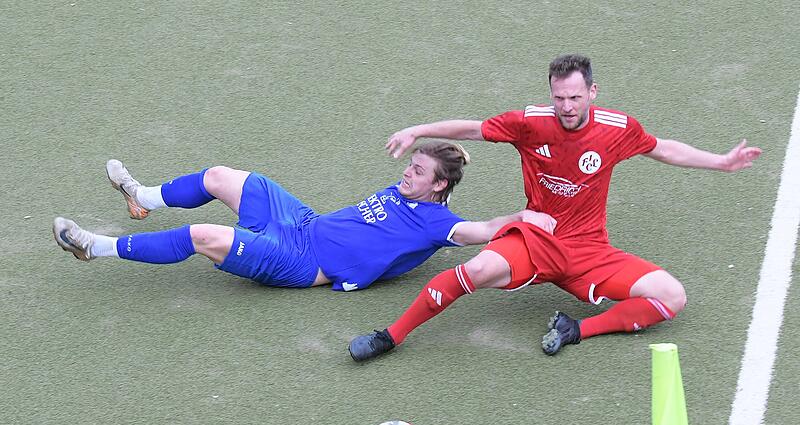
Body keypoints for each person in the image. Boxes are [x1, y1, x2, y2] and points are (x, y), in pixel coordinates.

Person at [349, 54, 762, 360]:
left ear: (592, 93)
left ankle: (576, 329)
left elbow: (664, 149)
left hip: (589, 250)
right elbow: (473, 129)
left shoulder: (617, 130)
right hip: (535, 240)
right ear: (551, 92)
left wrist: (721, 162)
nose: (566, 106)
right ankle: (392, 336)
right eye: (559, 96)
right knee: (474, 270)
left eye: (575, 97)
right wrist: (416, 130)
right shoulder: (531, 122)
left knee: (672, 297)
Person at [53, 140, 555, 291]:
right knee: (222, 176)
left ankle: (93, 247)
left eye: (418, 171)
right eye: (410, 165)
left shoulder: (438, 223)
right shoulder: (414, 194)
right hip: (302, 223)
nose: (407, 173)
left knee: (203, 236)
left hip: (303, 263)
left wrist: (530, 216)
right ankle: (142, 196)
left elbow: (484, 231)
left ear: (439, 185)